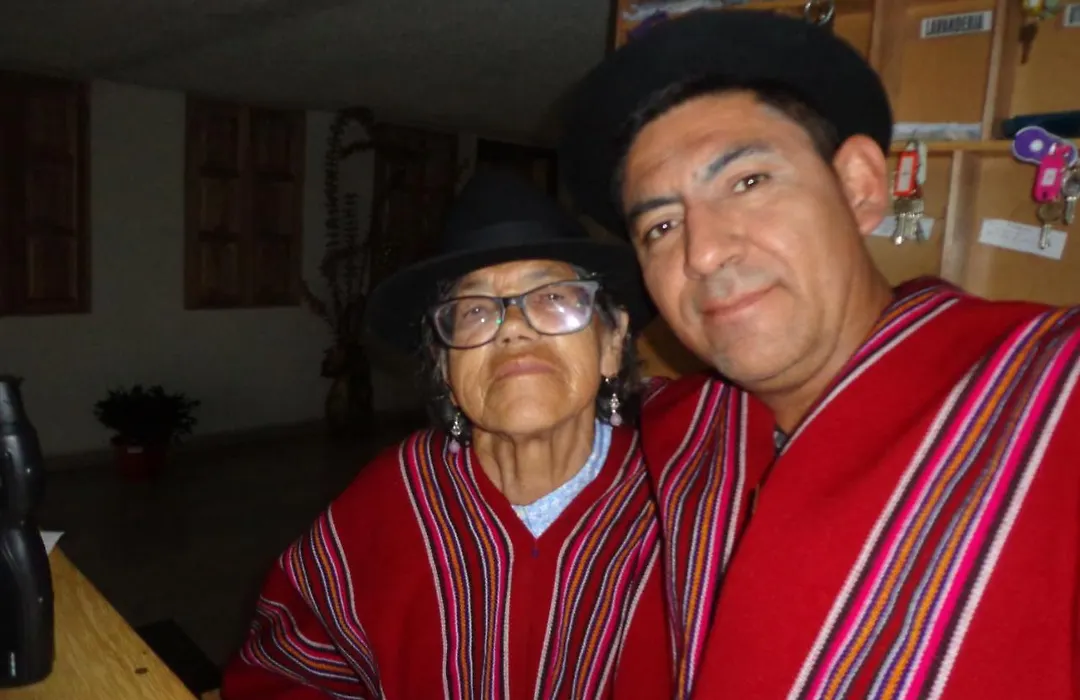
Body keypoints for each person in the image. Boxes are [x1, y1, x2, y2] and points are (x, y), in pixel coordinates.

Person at [558, 10, 1080, 700]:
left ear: (859, 186)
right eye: (661, 225)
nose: (703, 251)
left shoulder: (1054, 393)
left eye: (748, 182)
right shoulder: (677, 437)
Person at [219, 171, 671, 699]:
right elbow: (284, 674)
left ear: (612, 342)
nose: (514, 328)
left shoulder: (673, 501)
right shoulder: (392, 497)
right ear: (447, 371)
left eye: (553, 297)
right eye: (474, 311)